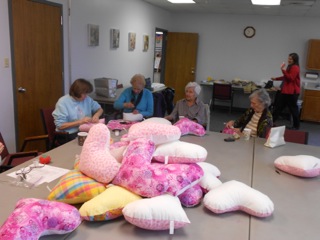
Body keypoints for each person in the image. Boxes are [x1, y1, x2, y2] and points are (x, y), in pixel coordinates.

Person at [271, 53, 301, 130]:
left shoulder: (295, 67)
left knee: (293, 110)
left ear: (295, 60)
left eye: (291, 59)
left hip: (292, 93)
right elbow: (286, 77)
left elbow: (290, 78)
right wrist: (276, 78)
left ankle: (296, 126)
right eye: (288, 58)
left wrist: (283, 70)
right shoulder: (290, 66)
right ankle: (270, 122)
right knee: (278, 107)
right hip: (286, 92)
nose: (289, 60)